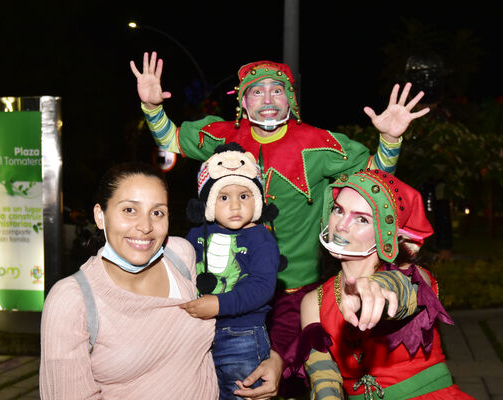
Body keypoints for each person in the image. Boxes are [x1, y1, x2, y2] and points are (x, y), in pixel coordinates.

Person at [130, 52, 430, 398]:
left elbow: (374, 184)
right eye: (257, 92)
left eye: (278, 90)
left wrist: (390, 140)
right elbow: (170, 140)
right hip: (232, 293)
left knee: (291, 377)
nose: (268, 99)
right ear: (242, 101)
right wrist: (152, 107)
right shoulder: (222, 135)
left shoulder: (319, 145)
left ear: (291, 98)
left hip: (297, 292)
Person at [39, 162, 218, 400]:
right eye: (129, 210)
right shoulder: (71, 300)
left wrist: (275, 358)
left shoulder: (180, 257)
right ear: (100, 216)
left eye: (157, 212)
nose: (145, 227)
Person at [299, 169, 474, 399]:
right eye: (338, 210)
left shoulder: (413, 275)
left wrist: (379, 288)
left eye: (361, 218)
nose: (341, 225)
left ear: (385, 232)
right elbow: (323, 377)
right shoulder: (313, 302)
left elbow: (406, 289)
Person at [180, 142, 280, 399]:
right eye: (224, 197)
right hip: (199, 334)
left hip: (244, 335)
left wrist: (220, 305)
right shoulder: (195, 234)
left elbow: (262, 286)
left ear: (257, 201)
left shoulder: (261, 238)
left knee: (243, 394)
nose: (235, 206)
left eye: (244, 196)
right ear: (209, 203)